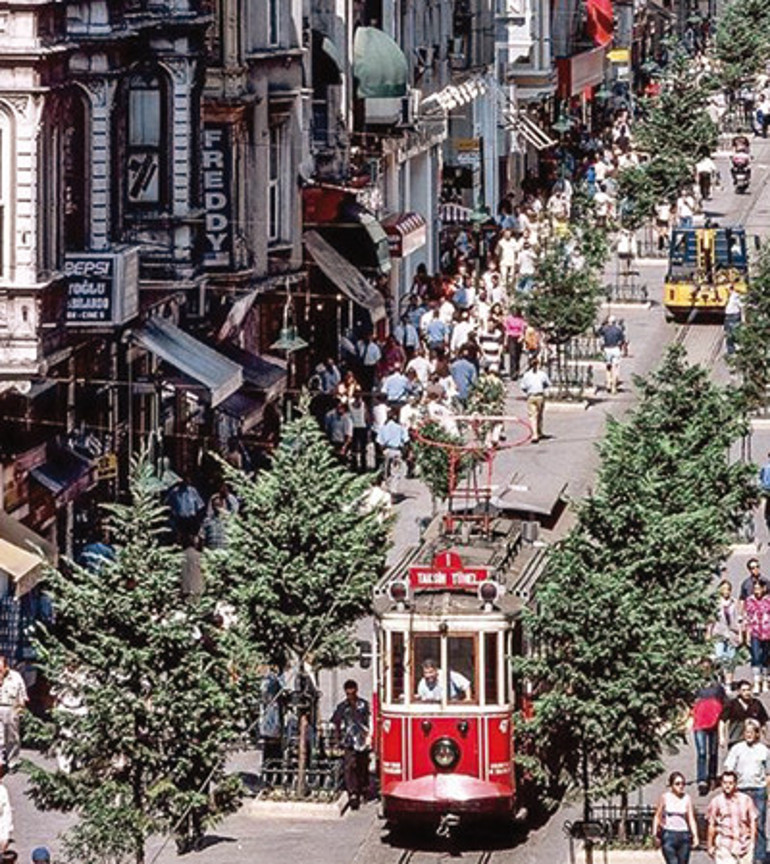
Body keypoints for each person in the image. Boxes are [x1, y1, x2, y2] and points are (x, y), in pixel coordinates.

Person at [724, 720, 770, 863]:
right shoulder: (737, 749)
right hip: (742, 791)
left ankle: (759, 857)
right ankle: (741, 854)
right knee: (741, 823)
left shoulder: (764, 751)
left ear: (757, 734)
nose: (748, 735)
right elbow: (729, 768)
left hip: (758, 790)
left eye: (751, 732)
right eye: (746, 732)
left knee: (759, 824)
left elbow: (768, 773)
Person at [331, 680, 370, 810]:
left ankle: (362, 788)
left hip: (361, 741)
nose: (350, 695)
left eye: (352, 692)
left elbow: (368, 721)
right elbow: (336, 723)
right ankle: (353, 793)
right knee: (349, 766)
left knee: (362, 766)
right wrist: (337, 740)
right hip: (348, 742)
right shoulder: (342, 707)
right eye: (348, 693)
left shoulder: (363, 705)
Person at [707, 770, 757, 864]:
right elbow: (711, 824)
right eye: (725, 783)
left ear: (735, 784)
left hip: (744, 845)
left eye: (730, 783)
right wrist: (710, 845)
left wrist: (752, 843)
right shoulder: (716, 801)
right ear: (721, 784)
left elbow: (753, 821)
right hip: (725, 844)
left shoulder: (746, 800)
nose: (727, 786)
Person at [652, 771, 699, 864]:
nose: (680, 786)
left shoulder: (687, 798)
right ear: (671, 785)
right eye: (677, 784)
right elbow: (657, 816)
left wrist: (695, 836)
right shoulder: (665, 797)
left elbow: (691, 818)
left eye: (683, 784)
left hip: (684, 835)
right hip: (669, 834)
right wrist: (655, 835)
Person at [694, 667, 727, 795]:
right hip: (699, 724)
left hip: (714, 723)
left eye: (708, 668)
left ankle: (712, 776)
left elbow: (725, 704)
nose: (706, 671)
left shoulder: (718, 687)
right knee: (702, 752)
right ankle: (702, 779)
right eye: (704, 668)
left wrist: (723, 723)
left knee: (713, 752)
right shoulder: (695, 687)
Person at [709, 579, 742, 688]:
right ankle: (721, 679)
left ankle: (728, 684)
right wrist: (708, 632)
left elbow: (739, 619)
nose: (726, 591)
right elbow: (711, 619)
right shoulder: (716, 603)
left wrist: (741, 634)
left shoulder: (735, 603)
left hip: (732, 634)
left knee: (731, 659)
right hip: (719, 633)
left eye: (728, 589)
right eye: (723, 589)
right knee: (719, 657)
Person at [721, 681, 769, 750]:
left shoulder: (757, 703)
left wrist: (766, 737)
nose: (747, 692)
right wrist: (722, 737)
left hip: (753, 741)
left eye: (748, 690)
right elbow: (722, 721)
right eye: (744, 690)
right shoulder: (732, 704)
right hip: (736, 740)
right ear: (739, 691)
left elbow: (764, 722)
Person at [744, 580, 770, 694]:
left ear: (764, 589)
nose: (757, 591)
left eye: (759, 589)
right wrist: (745, 633)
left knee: (765, 657)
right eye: (755, 589)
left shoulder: (768, 600)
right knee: (755, 657)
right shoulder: (749, 601)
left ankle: (764, 681)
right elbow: (747, 617)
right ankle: (756, 682)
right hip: (755, 632)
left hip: (767, 632)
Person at [0, 657, 27, 768]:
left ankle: (13, 761)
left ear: (6, 667)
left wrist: (21, 708)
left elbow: (22, 694)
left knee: (12, 737)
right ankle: (1, 761)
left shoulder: (16, 677)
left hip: (12, 708)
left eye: (1, 669)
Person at [520, 357, 551, 444]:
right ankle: (538, 431)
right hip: (540, 396)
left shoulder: (526, 375)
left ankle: (535, 434)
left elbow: (523, 387)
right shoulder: (542, 374)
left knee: (532, 416)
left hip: (531, 396)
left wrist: (527, 391)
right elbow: (548, 383)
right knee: (539, 415)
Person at [598, 316, 625, 394]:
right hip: (615, 348)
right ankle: (614, 387)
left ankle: (608, 382)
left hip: (607, 349)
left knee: (608, 367)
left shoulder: (605, 329)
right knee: (615, 368)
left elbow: (599, 332)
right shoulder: (618, 330)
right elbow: (622, 341)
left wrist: (603, 324)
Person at [759, 454, 770, 531]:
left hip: (766, 492)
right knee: (767, 515)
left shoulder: (765, 468)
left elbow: (760, 480)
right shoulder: (765, 468)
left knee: (767, 515)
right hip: (767, 492)